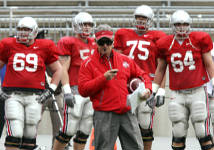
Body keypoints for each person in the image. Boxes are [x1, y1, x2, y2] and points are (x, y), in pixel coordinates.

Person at [78, 24, 152, 150]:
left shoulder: (125, 60)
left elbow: (143, 75)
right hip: (104, 114)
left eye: (108, 42)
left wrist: (148, 89)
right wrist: (103, 78)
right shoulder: (88, 63)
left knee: (136, 147)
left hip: (126, 112)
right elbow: (83, 90)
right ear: (96, 42)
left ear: (113, 42)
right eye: (102, 42)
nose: (105, 45)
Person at [152, 10, 214, 150]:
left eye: (185, 24)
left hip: (197, 90)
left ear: (189, 25)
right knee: (178, 130)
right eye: (178, 24)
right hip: (177, 93)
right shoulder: (164, 43)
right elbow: (160, 69)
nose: (181, 27)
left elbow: (209, 63)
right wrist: (155, 91)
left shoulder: (199, 39)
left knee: (202, 130)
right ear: (172, 25)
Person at [0, 16, 62, 150]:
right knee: (15, 131)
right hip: (13, 95)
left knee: (30, 134)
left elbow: (58, 70)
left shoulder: (45, 46)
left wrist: (50, 90)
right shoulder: (9, 44)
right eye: (20, 29)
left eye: (26, 29)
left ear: (34, 31)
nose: (22, 32)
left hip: (35, 96)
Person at [114, 5, 166, 150]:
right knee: (126, 123)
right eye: (138, 19)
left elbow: (161, 67)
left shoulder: (158, 37)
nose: (141, 22)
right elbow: (115, 61)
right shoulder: (122, 34)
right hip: (125, 85)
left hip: (146, 85)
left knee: (145, 123)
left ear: (150, 21)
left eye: (144, 19)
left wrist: (160, 90)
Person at [52, 12, 97, 150]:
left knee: (85, 130)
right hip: (74, 89)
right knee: (69, 129)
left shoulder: (95, 43)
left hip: (90, 91)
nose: (87, 28)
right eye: (84, 24)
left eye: (89, 25)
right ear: (76, 25)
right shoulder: (68, 42)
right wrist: (66, 90)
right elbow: (63, 68)